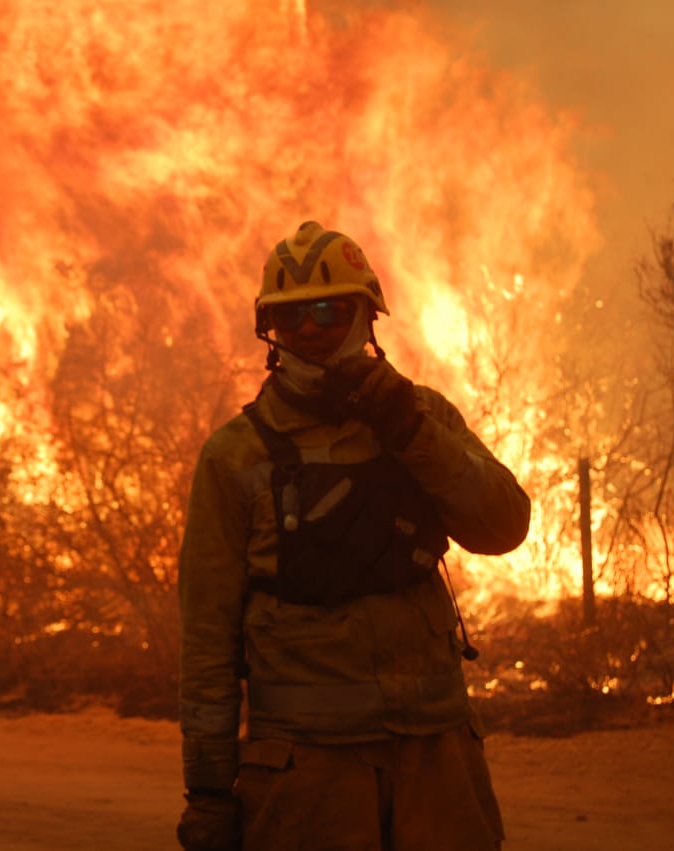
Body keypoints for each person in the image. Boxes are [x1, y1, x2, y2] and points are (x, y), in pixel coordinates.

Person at [176, 221, 531, 850]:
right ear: (270, 330)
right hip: (310, 778)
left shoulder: (424, 419)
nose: (309, 329)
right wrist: (208, 790)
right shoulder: (236, 457)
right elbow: (207, 642)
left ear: (366, 314)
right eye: (291, 316)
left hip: (436, 758)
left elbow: (503, 526)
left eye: (328, 309)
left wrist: (410, 430)